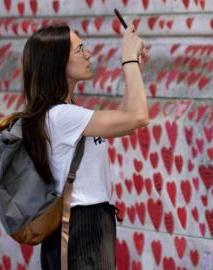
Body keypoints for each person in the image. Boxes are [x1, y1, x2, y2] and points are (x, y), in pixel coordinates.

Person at [18, 23, 149, 269]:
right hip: (79, 227)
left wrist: (135, 67)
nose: (88, 55)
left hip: (88, 223)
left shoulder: (66, 114)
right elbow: (138, 116)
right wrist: (128, 59)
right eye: (79, 50)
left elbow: (127, 121)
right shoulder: (61, 116)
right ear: (57, 63)